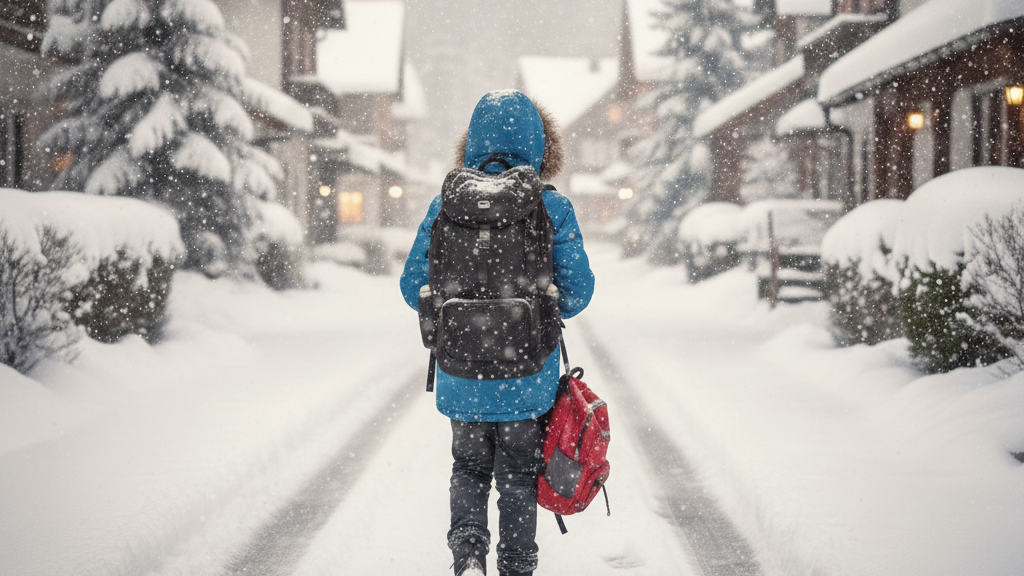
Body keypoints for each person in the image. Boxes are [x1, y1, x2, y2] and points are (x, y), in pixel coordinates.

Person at [400, 90, 595, 576]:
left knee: (468, 468)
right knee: (517, 475)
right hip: (526, 375)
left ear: (471, 143)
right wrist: (537, 307)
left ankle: (468, 556)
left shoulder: (446, 205)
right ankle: (516, 567)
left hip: (461, 373)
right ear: (540, 144)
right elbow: (579, 291)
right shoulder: (552, 207)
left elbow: (411, 286)